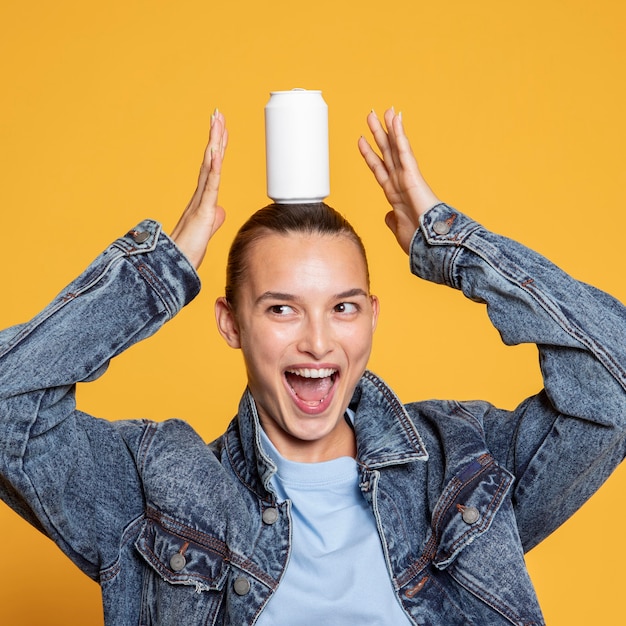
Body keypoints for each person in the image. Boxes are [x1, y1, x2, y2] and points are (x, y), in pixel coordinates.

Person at [0, 108, 624, 626]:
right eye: (282, 310)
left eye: (343, 307)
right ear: (231, 323)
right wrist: (160, 272)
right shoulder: (160, 488)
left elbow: (613, 387)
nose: (318, 343)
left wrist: (455, 245)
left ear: (372, 317)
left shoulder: (463, 463)